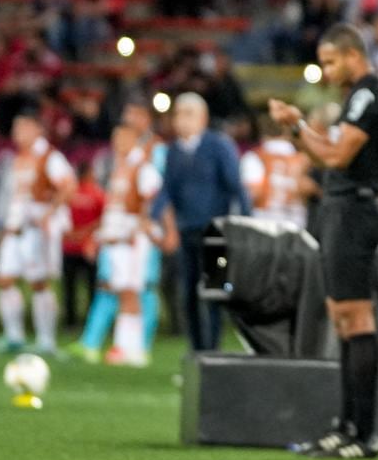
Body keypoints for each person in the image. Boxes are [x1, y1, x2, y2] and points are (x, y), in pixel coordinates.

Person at [268, 23, 378, 460]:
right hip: (340, 209)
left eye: (329, 62)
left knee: (355, 317)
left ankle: (364, 433)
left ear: (351, 55)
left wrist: (297, 125)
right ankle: (346, 427)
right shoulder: (356, 97)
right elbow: (328, 151)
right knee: (342, 318)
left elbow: (337, 156)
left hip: (354, 212)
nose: (325, 71)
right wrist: (297, 129)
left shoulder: (370, 94)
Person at [161, 92, 250, 351]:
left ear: (203, 118)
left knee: (213, 290)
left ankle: (212, 348)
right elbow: (167, 190)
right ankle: (196, 348)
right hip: (186, 229)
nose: (182, 120)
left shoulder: (218, 146)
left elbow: (235, 186)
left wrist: (244, 222)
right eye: (178, 114)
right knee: (188, 291)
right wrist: (164, 223)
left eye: (188, 114)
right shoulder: (174, 151)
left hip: (215, 230)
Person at [0, 112, 76, 355]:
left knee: (39, 282)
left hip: (36, 230)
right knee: (4, 279)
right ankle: (14, 336)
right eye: (16, 129)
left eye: (22, 128)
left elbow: (68, 186)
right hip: (15, 227)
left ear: (37, 129)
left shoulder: (50, 157)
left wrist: (49, 214)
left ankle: (46, 340)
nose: (17, 134)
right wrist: (6, 227)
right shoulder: (20, 158)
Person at [91, 123, 163, 367]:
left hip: (131, 239)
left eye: (122, 137)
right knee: (123, 291)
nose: (117, 143)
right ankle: (126, 347)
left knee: (130, 291)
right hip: (117, 238)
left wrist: (138, 228)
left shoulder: (143, 168)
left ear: (135, 139)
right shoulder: (122, 167)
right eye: (115, 138)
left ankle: (133, 349)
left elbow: (152, 199)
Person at [240, 116, 315, 230]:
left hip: (263, 223)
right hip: (296, 224)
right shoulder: (304, 160)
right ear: (288, 133)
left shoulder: (254, 157)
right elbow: (309, 188)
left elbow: (254, 192)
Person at [61, 158, 105, 330]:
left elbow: (60, 217)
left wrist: (74, 233)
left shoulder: (69, 194)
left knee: (69, 288)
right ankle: (92, 324)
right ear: (90, 174)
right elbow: (104, 218)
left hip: (71, 246)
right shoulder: (98, 194)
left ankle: (70, 323)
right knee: (92, 288)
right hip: (89, 247)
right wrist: (86, 233)